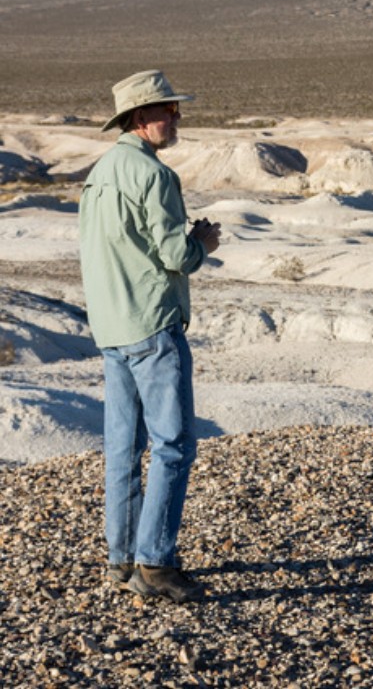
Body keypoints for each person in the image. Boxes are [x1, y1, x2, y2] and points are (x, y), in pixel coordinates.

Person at [79, 69, 221, 603]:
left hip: (111, 326)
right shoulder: (153, 175)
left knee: (122, 448)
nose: (177, 117)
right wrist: (201, 243)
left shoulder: (100, 173)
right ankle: (155, 565)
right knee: (173, 446)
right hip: (152, 324)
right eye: (168, 110)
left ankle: (122, 559)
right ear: (142, 119)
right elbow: (173, 255)